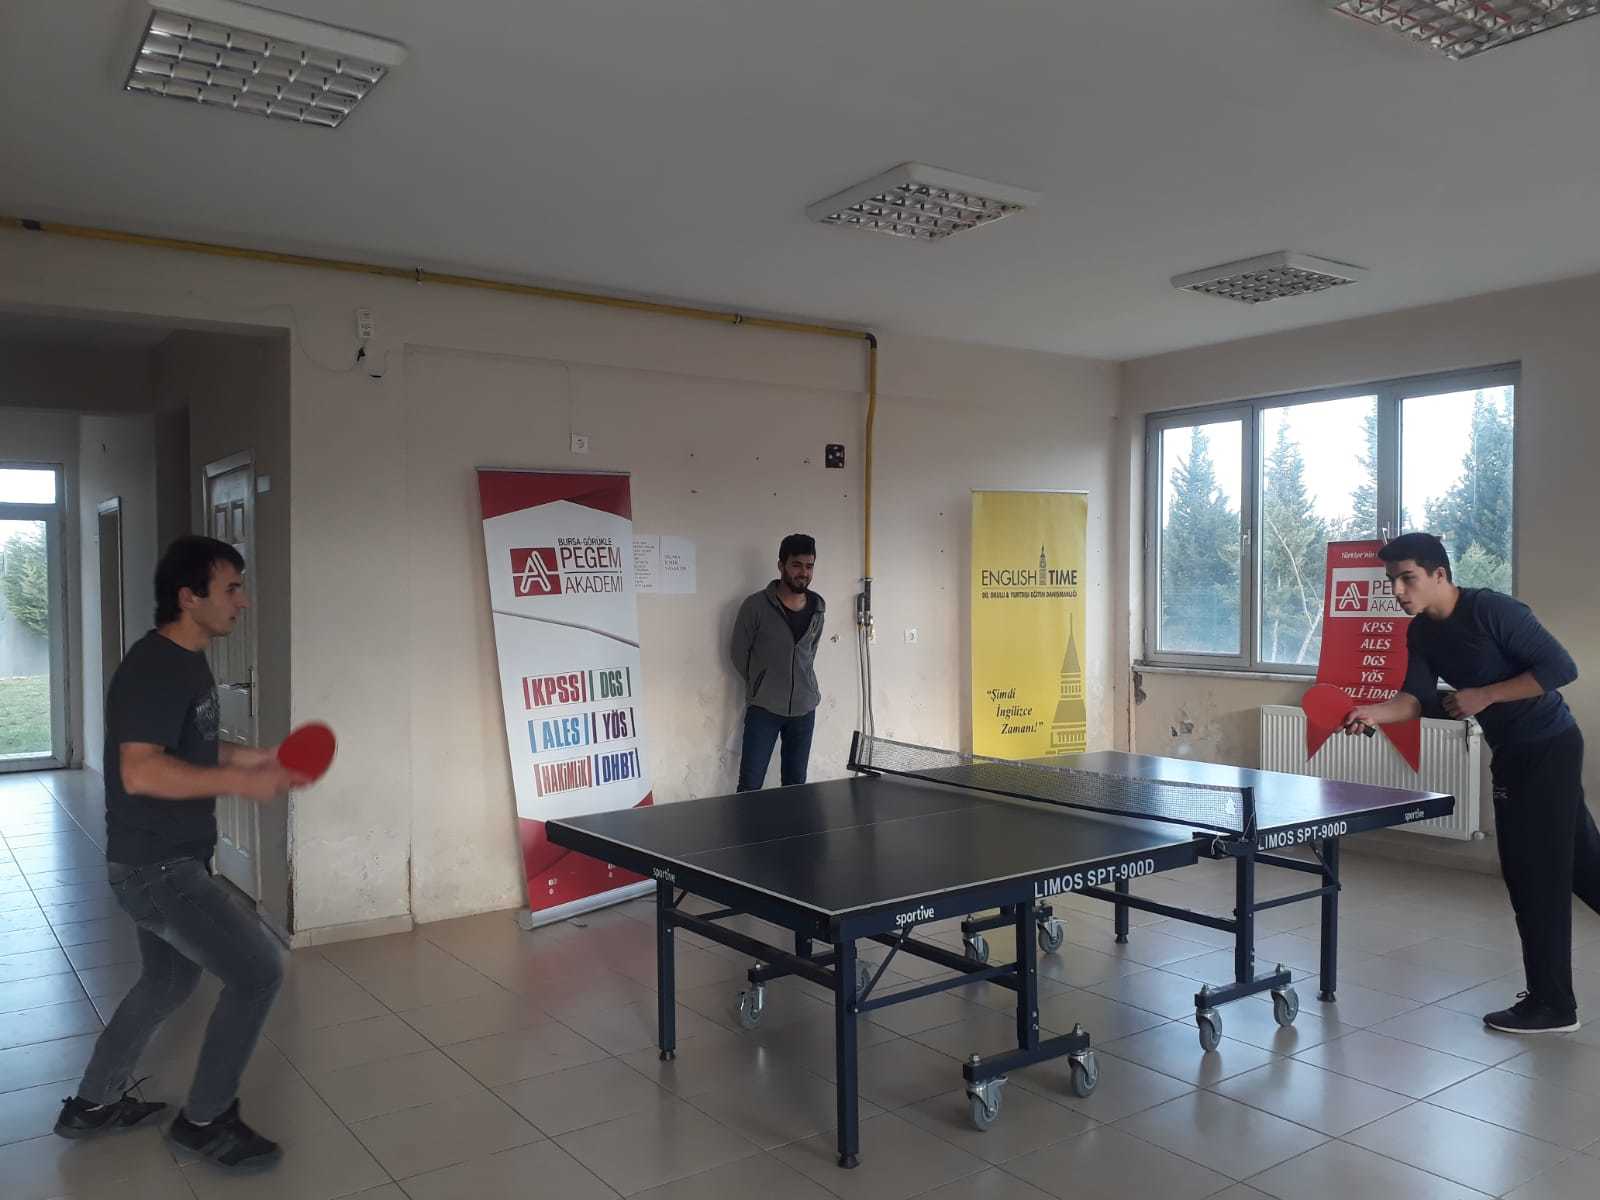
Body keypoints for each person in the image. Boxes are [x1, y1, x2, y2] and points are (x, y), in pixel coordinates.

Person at [54, 536, 311, 1166]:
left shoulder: (188, 662)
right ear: (189, 597)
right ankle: (205, 1120)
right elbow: (141, 770)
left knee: (167, 981)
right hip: (158, 867)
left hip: (166, 859)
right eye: (231, 589)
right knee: (257, 973)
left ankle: (92, 1104)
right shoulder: (155, 668)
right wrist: (240, 784)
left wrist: (255, 759)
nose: (242, 602)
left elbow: (188, 747)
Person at [1345, 532, 1593, 1034]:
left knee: (1535, 875)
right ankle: (1551, 998)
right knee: (1585, 866)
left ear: (1439, 574)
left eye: (1407, 578)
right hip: (1515, 751)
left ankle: (1553, 1005)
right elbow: (1414, 700)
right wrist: (1372, 712)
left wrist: (1485, 695)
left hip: (1548, 746)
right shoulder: (1421, 633)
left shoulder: (1491, 610)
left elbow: (1561, 668)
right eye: (1391, 581)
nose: (1397, 591)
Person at [730, 533, 825, 790]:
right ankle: (747, 822)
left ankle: (791, 821)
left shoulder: (817, 608)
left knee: (795, 785)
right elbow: (738, 653)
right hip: (764, 708)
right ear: (781, 565)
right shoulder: (755, 606)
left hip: (804, 709)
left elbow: (810, 652)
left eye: (809, 566)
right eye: (796, 565)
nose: (803, 573)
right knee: (750, 785)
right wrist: (762, 682)